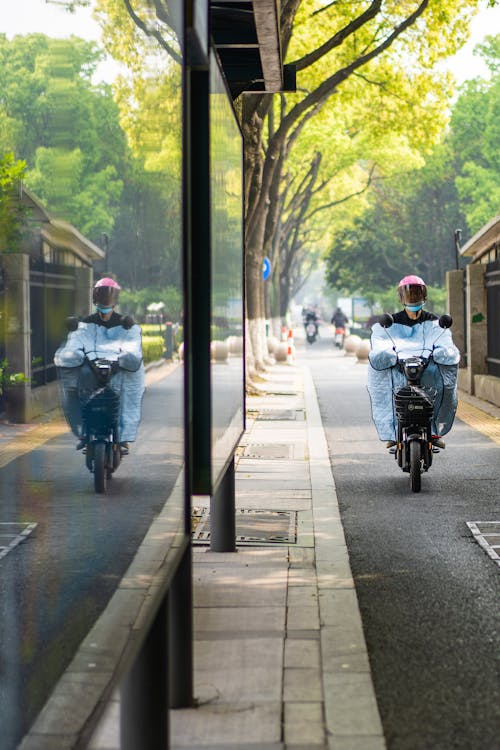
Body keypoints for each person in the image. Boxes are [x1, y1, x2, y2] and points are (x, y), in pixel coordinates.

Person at [367, 275, 460, 449]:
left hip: (427, 367)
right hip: (400, 366)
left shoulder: (435, 322)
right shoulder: (390, 323)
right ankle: (392, 432)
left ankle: (434, 430)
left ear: (424, 295)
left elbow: (444, 341)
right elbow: (381, 342)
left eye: (417, 293)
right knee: (387, 386)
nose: (413, 297)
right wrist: (385, 353)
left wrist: (443, 352)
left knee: (441, 385)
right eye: (409, 294)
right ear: (401, 297)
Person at [54, 276, 145, 455]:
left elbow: (132, 347)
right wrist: (72, 355)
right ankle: (84, 432)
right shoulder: (85, 323)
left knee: (129, 390)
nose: (105, 300)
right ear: (94, 298)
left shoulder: (125, 324)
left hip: (116, 369)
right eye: (101, 295)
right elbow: (75, 344)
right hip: (92, 369)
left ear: (115, 300)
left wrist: (125, 358)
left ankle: (123, 436)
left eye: (108, 297)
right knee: (74, 390)